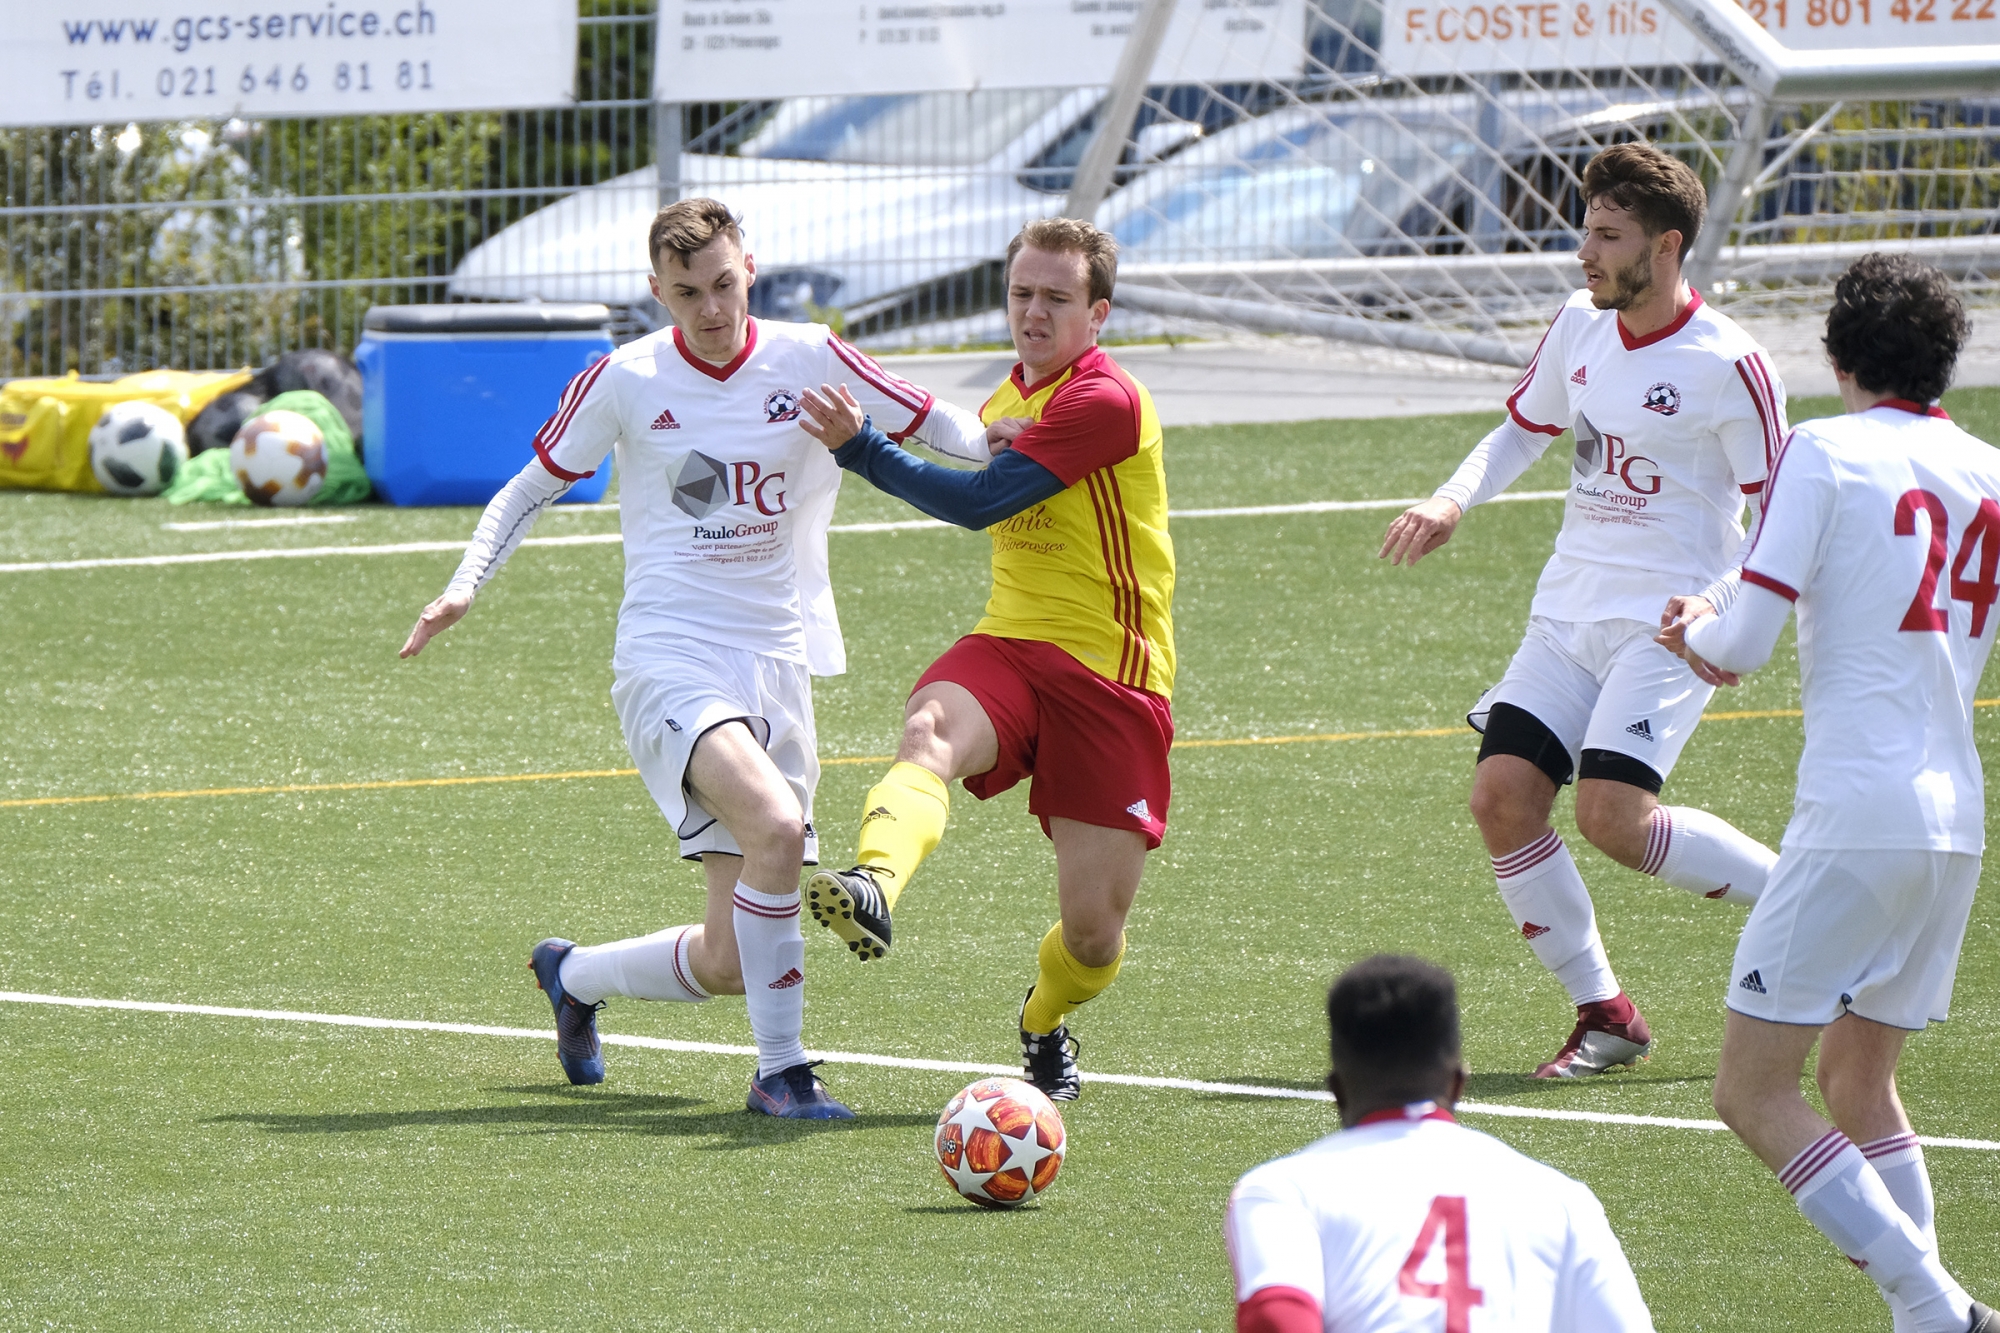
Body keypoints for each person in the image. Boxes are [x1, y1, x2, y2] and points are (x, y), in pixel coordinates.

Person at [399, 197, 1000, 1119]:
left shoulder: (808, 354)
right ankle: (783, 1073)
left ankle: (575, 976)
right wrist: (465, 583)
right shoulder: (626, 377)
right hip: (668, 656)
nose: (711, 309)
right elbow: (530, 487)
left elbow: (940, 425)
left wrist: (1026, 434)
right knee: (776, 827)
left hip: (778, 661)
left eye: (723, 284)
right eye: (688, 293)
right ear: (656, 292)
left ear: (748, 269)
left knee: (727, 959)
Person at [1378, 142, 1788, 1078]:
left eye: (1608, 236)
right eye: (1585, 231)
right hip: (1566, 614)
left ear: (1669, 246)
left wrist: (1720, 603)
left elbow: (1782, 513)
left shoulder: (1732, 363)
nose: (1585, 253)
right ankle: (1606, 1012)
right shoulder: (1579, 323)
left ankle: (1799, 896)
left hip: (1666, 628)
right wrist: (1451, 499)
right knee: (1501, 798)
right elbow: (1524, 427)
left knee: (1613, 816)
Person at [1660, 254, 1997, 1333]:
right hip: (1953, 825)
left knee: (1750, 1090)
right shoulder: (1987, 468)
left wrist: (1691, 639)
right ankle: (1926, 1318)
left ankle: (1932, 1302)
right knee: (1859, 1081)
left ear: (1836, 355)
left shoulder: (1820, 450)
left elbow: (1742, 641)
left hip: (1855, 814)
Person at [795, 216, 1174, 1102]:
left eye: (1057, 298)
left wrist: (861, 448)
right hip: (1010, 645)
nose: (1034, 313)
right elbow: (977, 467)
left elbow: (978, 504)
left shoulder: (1105, 401)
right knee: (927, 726)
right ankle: (874, 884)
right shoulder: (1008, 401)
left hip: (1113, 679)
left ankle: (1042, 1021)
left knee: (1092, 938)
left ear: (1100, 313)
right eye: (1021, 294)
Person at [1226, 954, 1655, 1332]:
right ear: (1458, 1084)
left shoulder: (1282, 1191)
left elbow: (1276, 1319)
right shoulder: (1563, 1201)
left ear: (1336, 1091)